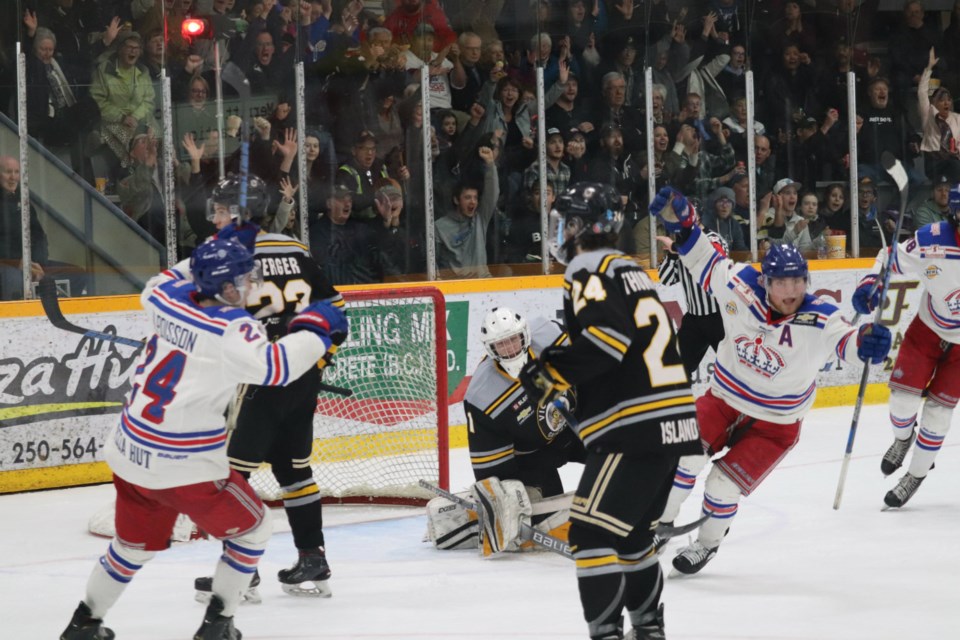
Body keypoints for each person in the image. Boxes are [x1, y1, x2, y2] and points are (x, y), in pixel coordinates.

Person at [59, 236, 347, 640]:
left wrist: (217, 244)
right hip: (184, 465)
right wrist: (317, 331)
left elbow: (177, 271)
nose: (254, 281)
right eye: (247, 275)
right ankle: (218, 624)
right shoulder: (232, 328)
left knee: (130, 547)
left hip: (129, 450)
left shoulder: (160, 295)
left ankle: (83, 624)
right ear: (227, 288)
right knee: (254, 530)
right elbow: (275, 368)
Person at [648, 186, 892, 576]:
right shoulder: (740, 285)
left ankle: (707, 544)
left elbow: (846, 341)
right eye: (782, 282)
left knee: (721, 487)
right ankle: (658, 527)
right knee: (683, 457)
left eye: (799, 281)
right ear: (765, 281)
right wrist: (686, 221)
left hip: (775, 426)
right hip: (723, 398)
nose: (792, 291)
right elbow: (702, 258)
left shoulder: (820, 314)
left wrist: (868, 344)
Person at [518, 182, 703, 640]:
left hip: (633, 428)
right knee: (632, 537)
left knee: (590, 536)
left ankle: (607, 634)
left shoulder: (587, 267)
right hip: (672, 423)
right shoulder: (629, 269)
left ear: (583, 226)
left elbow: (607, 341)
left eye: (564, 221)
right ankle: (649, 630)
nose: (559, 230)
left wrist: (546, 375)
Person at [192, 175, 345, 603]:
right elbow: (335, 310)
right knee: (294, 470)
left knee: (232, 476)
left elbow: (210, 325)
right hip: (300, 381)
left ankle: (241, 574)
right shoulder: (295, 249)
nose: (216, 217)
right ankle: (312, 559)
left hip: (256, 384)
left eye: (221, 210)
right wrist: (316, 363)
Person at [851, 183, 960, 508]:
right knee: (900, 401)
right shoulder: (932, 241)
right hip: (928, 327)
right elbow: (890, 256)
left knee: (938, 415)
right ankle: (903, 438)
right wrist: (872, 282)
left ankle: (915, 474)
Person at [465, 307, 584, 497]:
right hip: (532, 458)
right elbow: (491, 471)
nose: (510, 349)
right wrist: (509, 497)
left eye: (513, 339)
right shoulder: (482, 396)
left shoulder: (551, 336)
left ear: (525, 334)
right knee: (544, 519)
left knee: (625, 452)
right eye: (501, 344)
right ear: (490, 348)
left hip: (576, 428)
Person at [657, 223, 728, 378]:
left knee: (734, 371)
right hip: (694, 320)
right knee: (676, 370)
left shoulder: (713, 238)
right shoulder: (680, 243)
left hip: (720, 317)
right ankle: (681, 402)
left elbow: (714, 262)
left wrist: (677, 248)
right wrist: (672, 255)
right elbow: (665, 279)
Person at [0, 156, 48, 301]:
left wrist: (37, 261)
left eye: (17, 172)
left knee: (78, 275)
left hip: (28, 261)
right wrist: (16, 261)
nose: (13, 177)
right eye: (8, 172)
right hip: (6, 264)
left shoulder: (24, 199)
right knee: (15, 281)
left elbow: (39, 236)